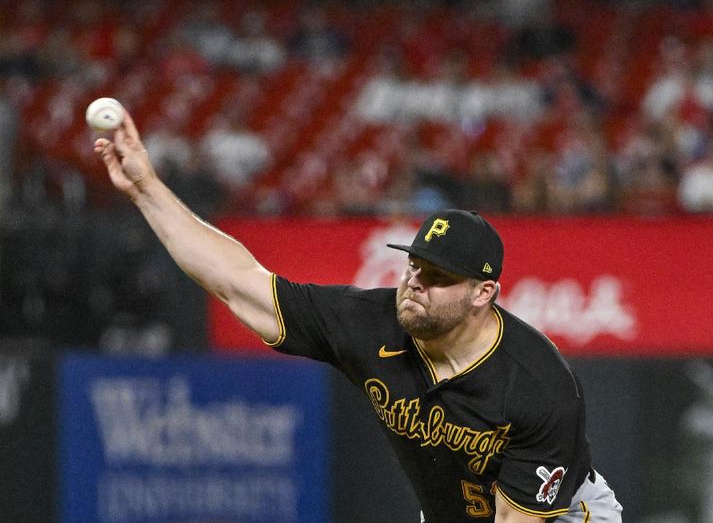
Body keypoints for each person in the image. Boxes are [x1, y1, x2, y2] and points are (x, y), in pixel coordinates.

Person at [94, 110, 624, 522]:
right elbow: (238, 284)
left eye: (438, 276)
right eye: (414, 265)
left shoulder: (537, 384)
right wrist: (147, 189)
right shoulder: (370, 322)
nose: (416, 281)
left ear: (483, 292)